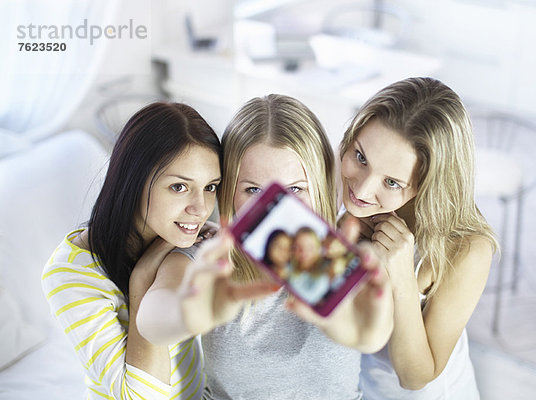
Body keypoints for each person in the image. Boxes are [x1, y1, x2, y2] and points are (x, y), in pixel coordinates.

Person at [137, 94, 394, 399]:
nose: (276, 209)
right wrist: (190, 313)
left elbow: (371, 333)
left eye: (295, 189)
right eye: (253, 190)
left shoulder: (346, 256)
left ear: (321, 188)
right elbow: (152, 319)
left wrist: (359, 327)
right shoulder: (207, 259)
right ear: (229, 192)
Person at [41, 102, 229, 399]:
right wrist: (143, 279)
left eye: (210, 187)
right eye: (179, 187)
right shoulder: (70, 274)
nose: (201, 209)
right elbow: (142, 396)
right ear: (133, 181)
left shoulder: (178, 238)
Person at [338, 77, 499, 399]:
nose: (362, 189)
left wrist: (400, 277)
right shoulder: (352, 205)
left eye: (393, 182)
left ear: (429, 183)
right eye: (361, 157)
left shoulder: (466, 247)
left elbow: (415, 377)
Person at [288, 226, 330, 305]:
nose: (304, 252)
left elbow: (309, 299)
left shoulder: (323, 277)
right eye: (298, 247)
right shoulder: (288, 268)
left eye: (310, 247)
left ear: (318, 249)